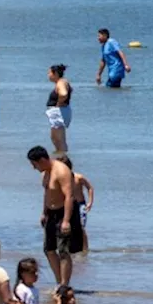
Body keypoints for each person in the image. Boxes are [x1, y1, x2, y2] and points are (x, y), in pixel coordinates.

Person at [28, 146, 77, 286]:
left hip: (63, 213)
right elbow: (47, 194)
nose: (34, 168)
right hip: (50, 213)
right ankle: (58, 281)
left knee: (63, 251)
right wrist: (44, 212)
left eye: (34, 164)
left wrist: (66, 221)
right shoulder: (45, 173)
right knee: (48, 249)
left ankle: (65, 284)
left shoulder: (61, 171)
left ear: (42, 160)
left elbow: (69, 196)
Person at [60, 157, 94, 252]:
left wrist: (90, 202)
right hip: (67, 206)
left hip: (80, 205)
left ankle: (85, 250)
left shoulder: (78, 177)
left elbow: (90, 188)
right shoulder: (61, 180)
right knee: (67, 227)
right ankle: (69, 248)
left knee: (81, 227)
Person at [46, 64, 73, 157]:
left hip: (59, 112)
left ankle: (62, 158)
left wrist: (58, 104)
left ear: (56, 73)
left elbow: (63, 94)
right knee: (56, 138)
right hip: (60, 112)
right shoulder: (63, 82)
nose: (48, 75)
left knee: (59, 139)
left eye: (49, 73)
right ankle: (60, 156)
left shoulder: (60, 83)